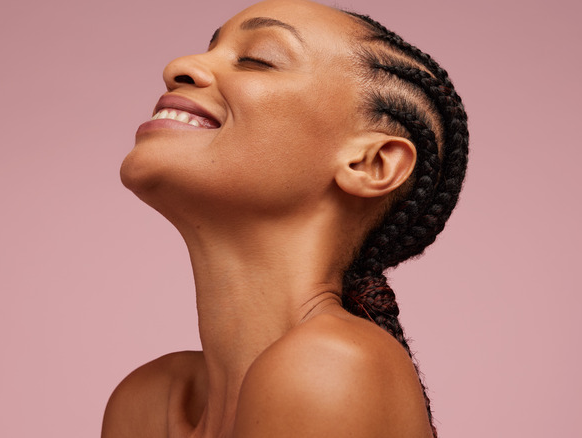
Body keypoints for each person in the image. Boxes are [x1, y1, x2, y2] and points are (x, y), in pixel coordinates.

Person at [103, 0, 468, 436]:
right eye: (210, 47)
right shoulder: (150, 399)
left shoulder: (332, 365)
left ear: (371, 164)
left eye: (259, 60)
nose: (179, 66)